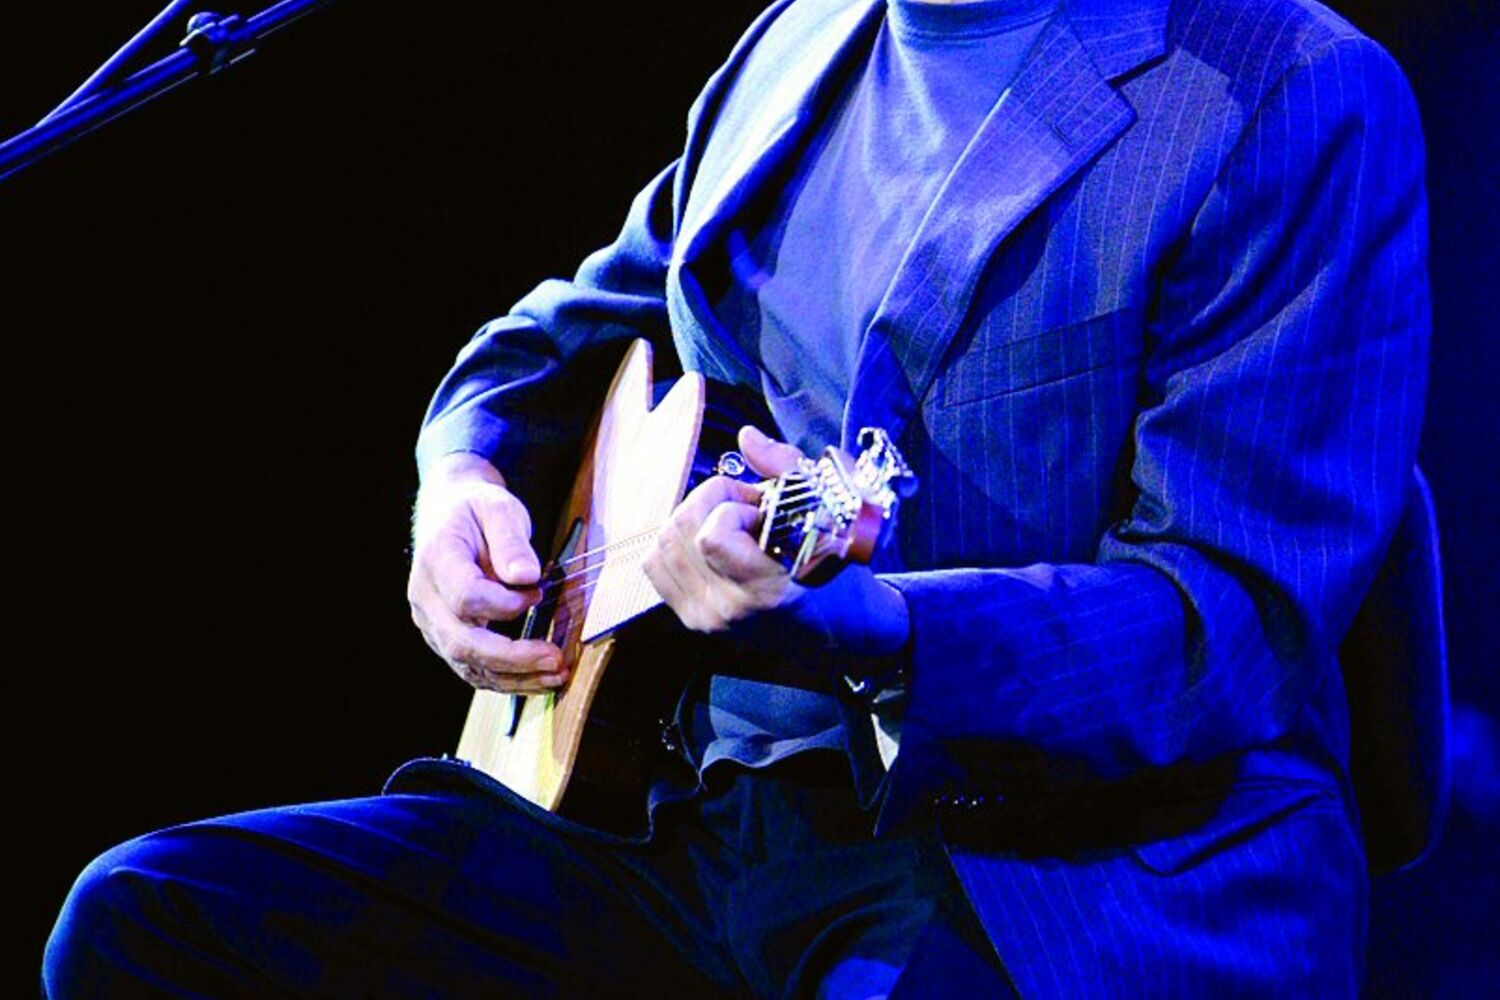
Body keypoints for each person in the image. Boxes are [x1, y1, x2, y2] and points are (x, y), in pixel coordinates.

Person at [44, 0, 1431, 995]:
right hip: (690, 836)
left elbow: (1228, 619)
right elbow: (558, 337)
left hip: (1063, 869)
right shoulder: (799, 40)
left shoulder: (1288, 89)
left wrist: (880, 629)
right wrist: (454, 481)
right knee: (152, 922)